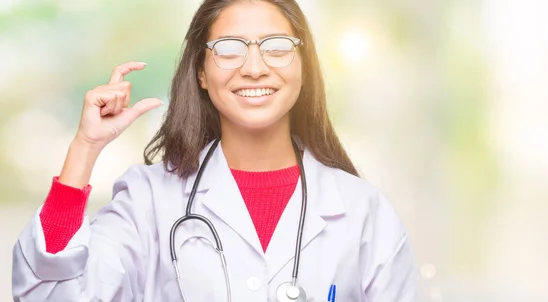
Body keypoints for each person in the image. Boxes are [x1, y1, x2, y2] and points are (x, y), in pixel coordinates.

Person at [12, 0, 418, 301]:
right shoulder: (149, 202)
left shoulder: (364, 212)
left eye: (276, 46)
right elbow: (48, 294)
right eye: (229, 48)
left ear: (304, 66)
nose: (254, 67)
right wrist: (85, 147)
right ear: (202, 73)